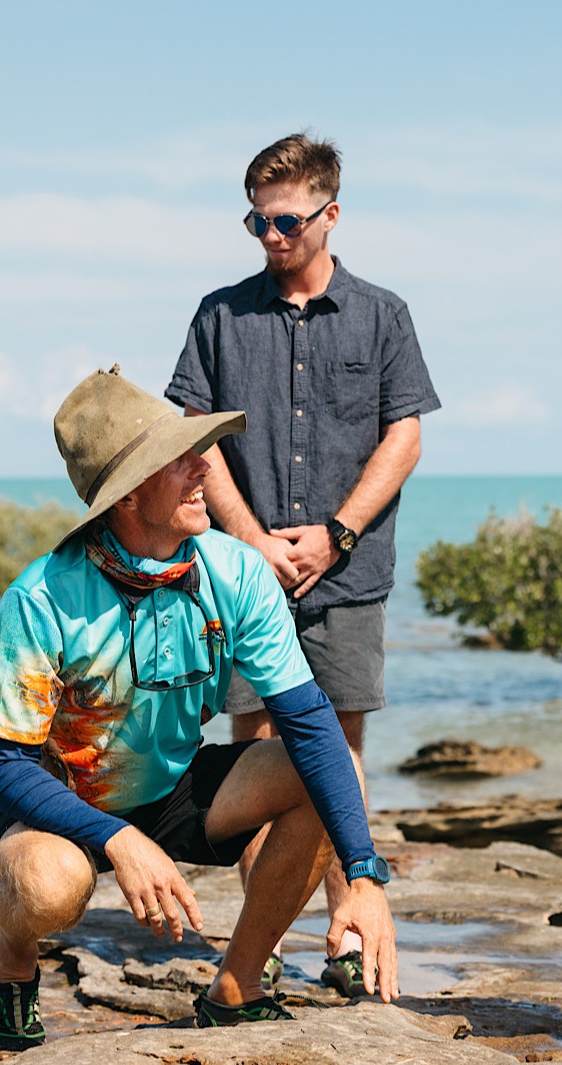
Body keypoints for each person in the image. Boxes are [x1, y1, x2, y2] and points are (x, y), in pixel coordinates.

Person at [0, 366, 398, 1052]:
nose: (205, 467)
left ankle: (236, 987)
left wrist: (366, 873)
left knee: (327, 768)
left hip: (170, 786)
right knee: (52, 888)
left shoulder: (236, 572)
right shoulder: (44, 595)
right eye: (180, 459)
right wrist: (115, 837)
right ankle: (12, 957)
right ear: (130, 493)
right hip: (49, 805)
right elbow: (2, 767)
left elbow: (310, 723)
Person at [166, 132, 439, 997]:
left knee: (340, 745)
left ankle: (346, 929)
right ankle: (260, 943)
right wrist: (248, 540)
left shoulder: (383, 313)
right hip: (240, 575)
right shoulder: (219, 314)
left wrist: (336, 534)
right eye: (256, 220)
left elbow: (405, 434)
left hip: (347, 571)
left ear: (330, 214)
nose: (269, 236)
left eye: (285, 221)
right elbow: (192, 439)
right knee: (254, 750)